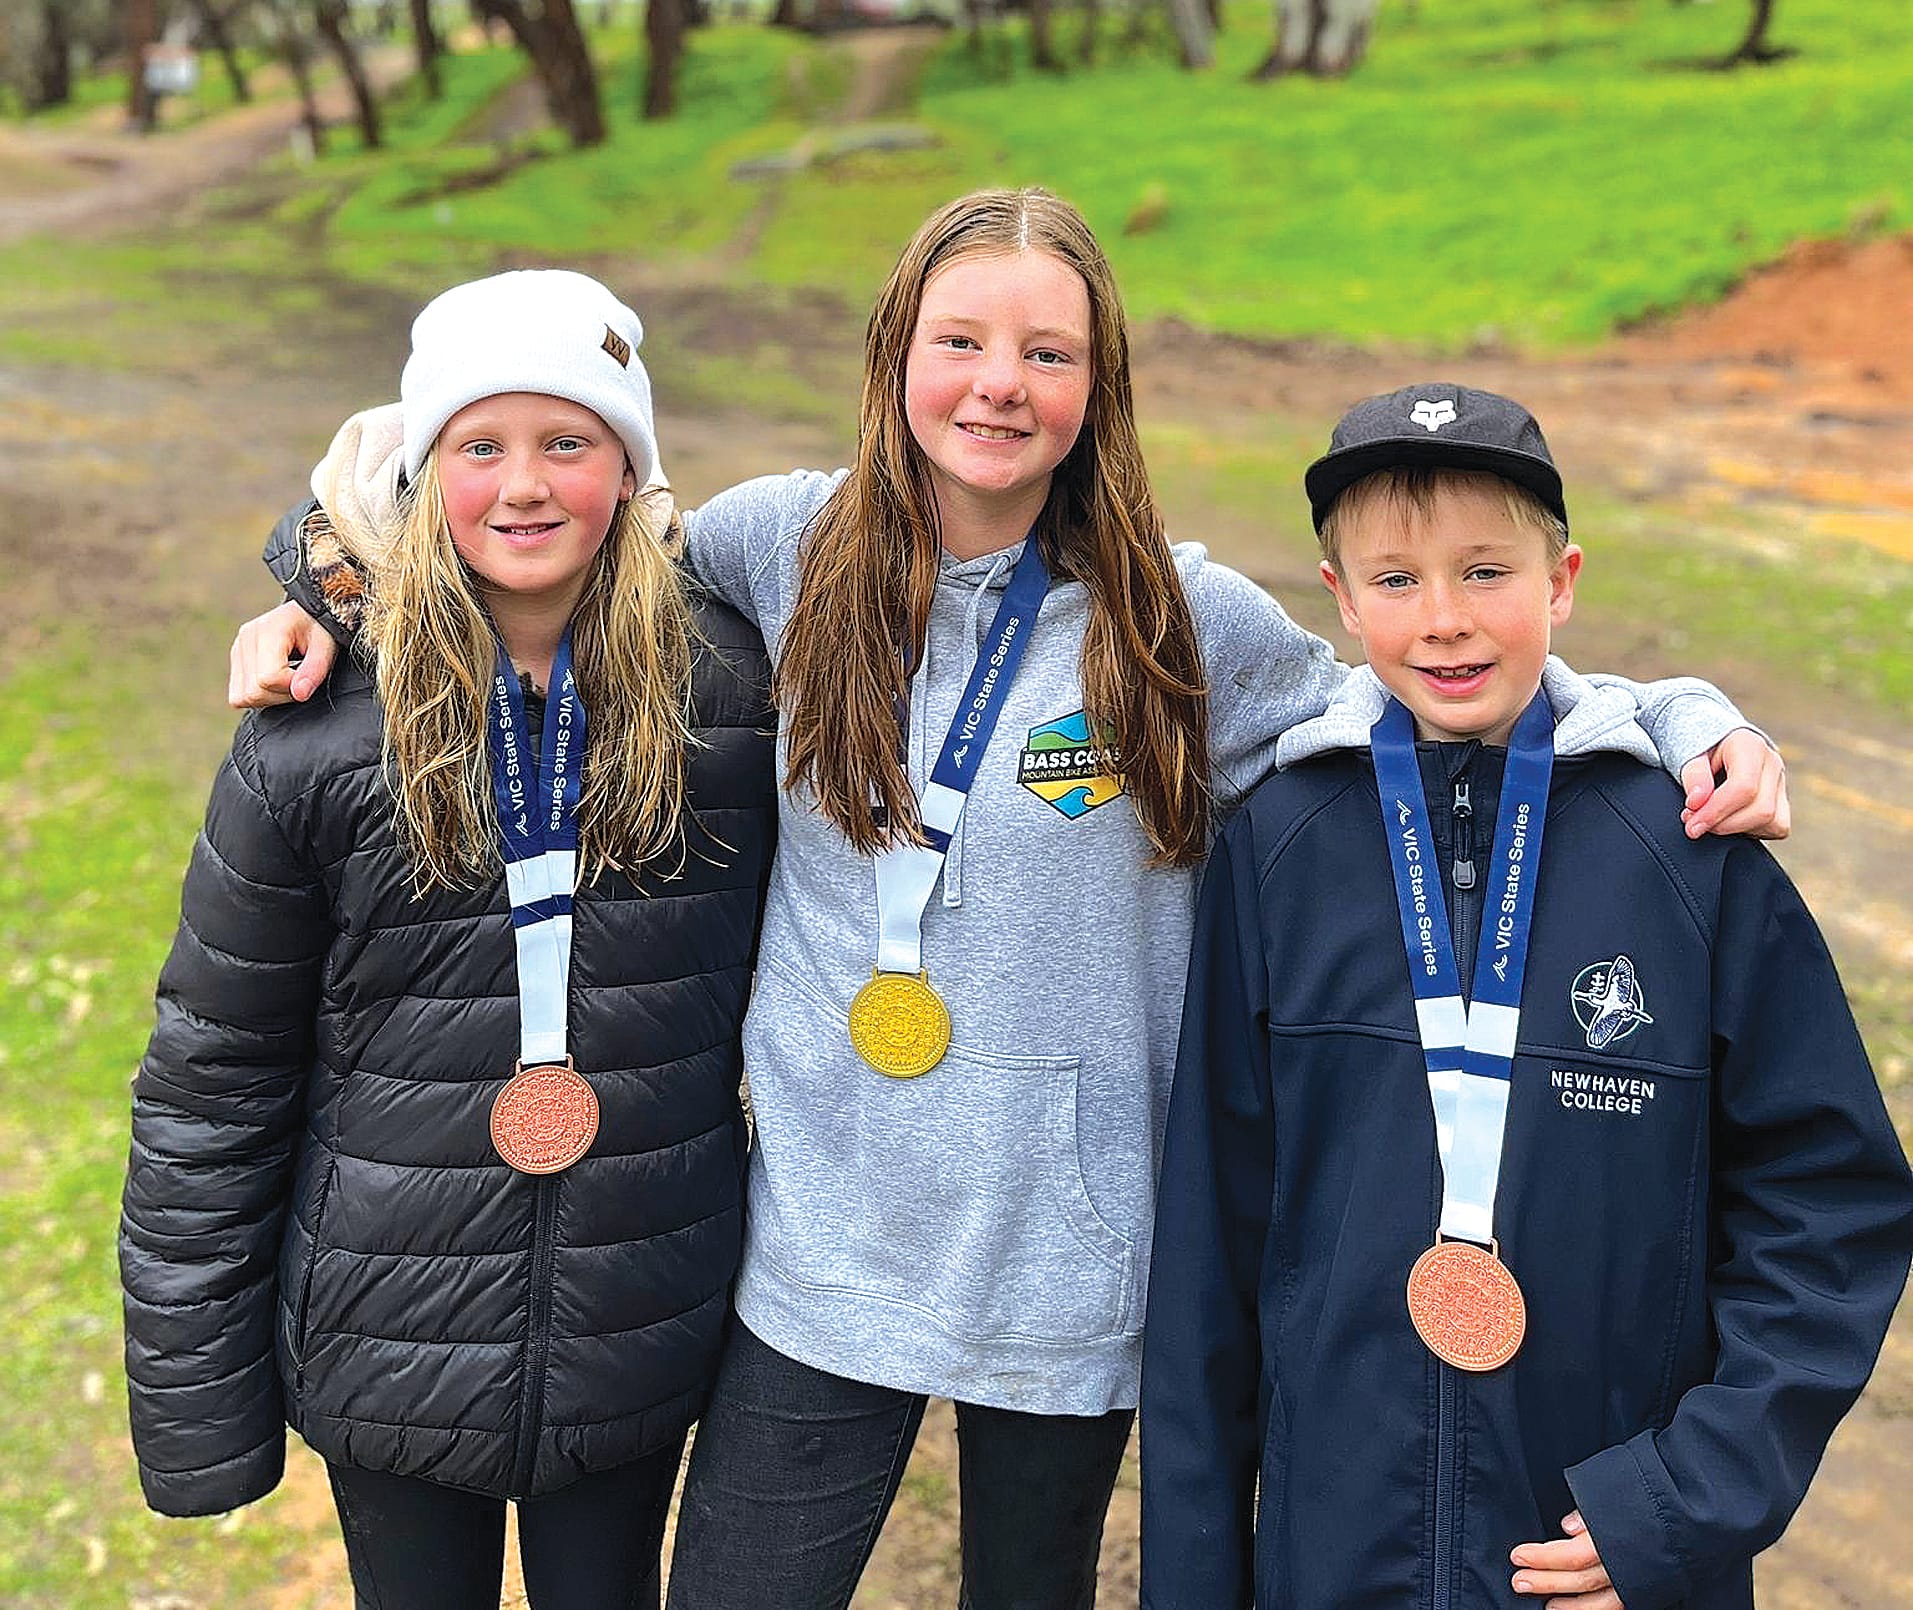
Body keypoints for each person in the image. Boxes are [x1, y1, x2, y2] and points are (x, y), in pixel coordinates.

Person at [224, 191, 1788, 1610]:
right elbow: (529, 520)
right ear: (894, 350)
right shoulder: (783, 543)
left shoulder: (1181, 623)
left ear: (1097, 385)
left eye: (1048, 351)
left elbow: (1436, 684)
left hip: (1072, 1259)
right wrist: (318, 594)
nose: (998, 384)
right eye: (958, 339)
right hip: (822, 1254)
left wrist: (1677, 711)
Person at [1139, 383, 1911, 1610]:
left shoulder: (1689, 850)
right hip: (1333, 1553)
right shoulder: (1276, 849)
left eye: (1484, 569)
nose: (1442, 620)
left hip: (1601, 1557)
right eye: (1394, 581)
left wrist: (1679, 1503)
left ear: (1560, 583)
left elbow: (1828, 1212)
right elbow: (1205, 1260)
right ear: (1337, 600)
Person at [119, 270, 777, 1610]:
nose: (524, 485)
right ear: (427, 468)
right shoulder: (315, 733)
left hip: (637, 1318)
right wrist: (199, 1406)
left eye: (568, 442)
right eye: (481, 444)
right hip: (387, 1330)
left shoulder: (731, 698)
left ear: (630, 469)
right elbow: (213, 1079)